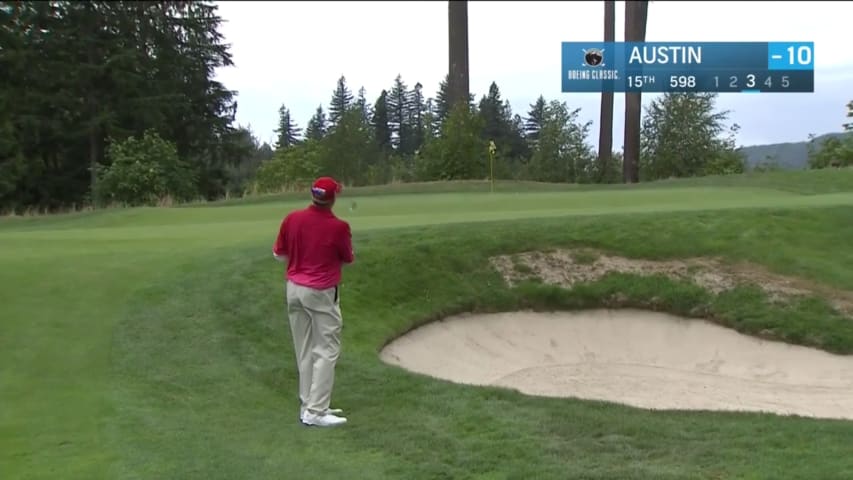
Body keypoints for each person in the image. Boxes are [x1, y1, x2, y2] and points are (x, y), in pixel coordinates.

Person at [272, 176, 354, 427]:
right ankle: (316, 412)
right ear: (332, 198)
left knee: (304, 348)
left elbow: (279, 254)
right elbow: (347, 258)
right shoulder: (338, 226)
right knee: (326, 350)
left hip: (294, 289)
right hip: (320, 291)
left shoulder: (292, 218)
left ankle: (309, 403)